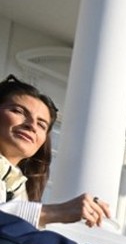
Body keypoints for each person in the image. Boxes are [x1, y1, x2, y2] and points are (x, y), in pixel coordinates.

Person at [0, 74, 112, 228]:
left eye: (41, 125)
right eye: (18, 111)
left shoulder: (19, 189)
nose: (32, 125)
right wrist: (54, 212)